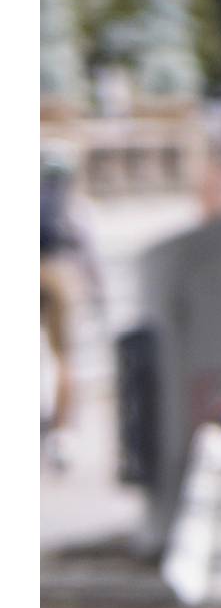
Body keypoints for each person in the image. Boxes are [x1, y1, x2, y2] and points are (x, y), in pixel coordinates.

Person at [39, 143, 105, 468]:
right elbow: (90, 254)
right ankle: (62, 434)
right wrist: (98, 296)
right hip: (63, 275)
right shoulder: (76, 206)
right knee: (65, 357)